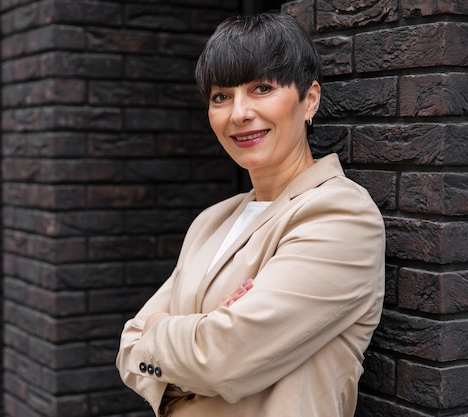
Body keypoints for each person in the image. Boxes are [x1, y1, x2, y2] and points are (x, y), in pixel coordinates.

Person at [116, 11, 385, 417]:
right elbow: (129, 346)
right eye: (221, 96)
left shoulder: (341, 215)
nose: (238, 113)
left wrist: (164, 337)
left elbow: (221, 357)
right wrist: (195, 341)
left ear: (309, 99)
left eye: (261, 88)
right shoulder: (211, 221)